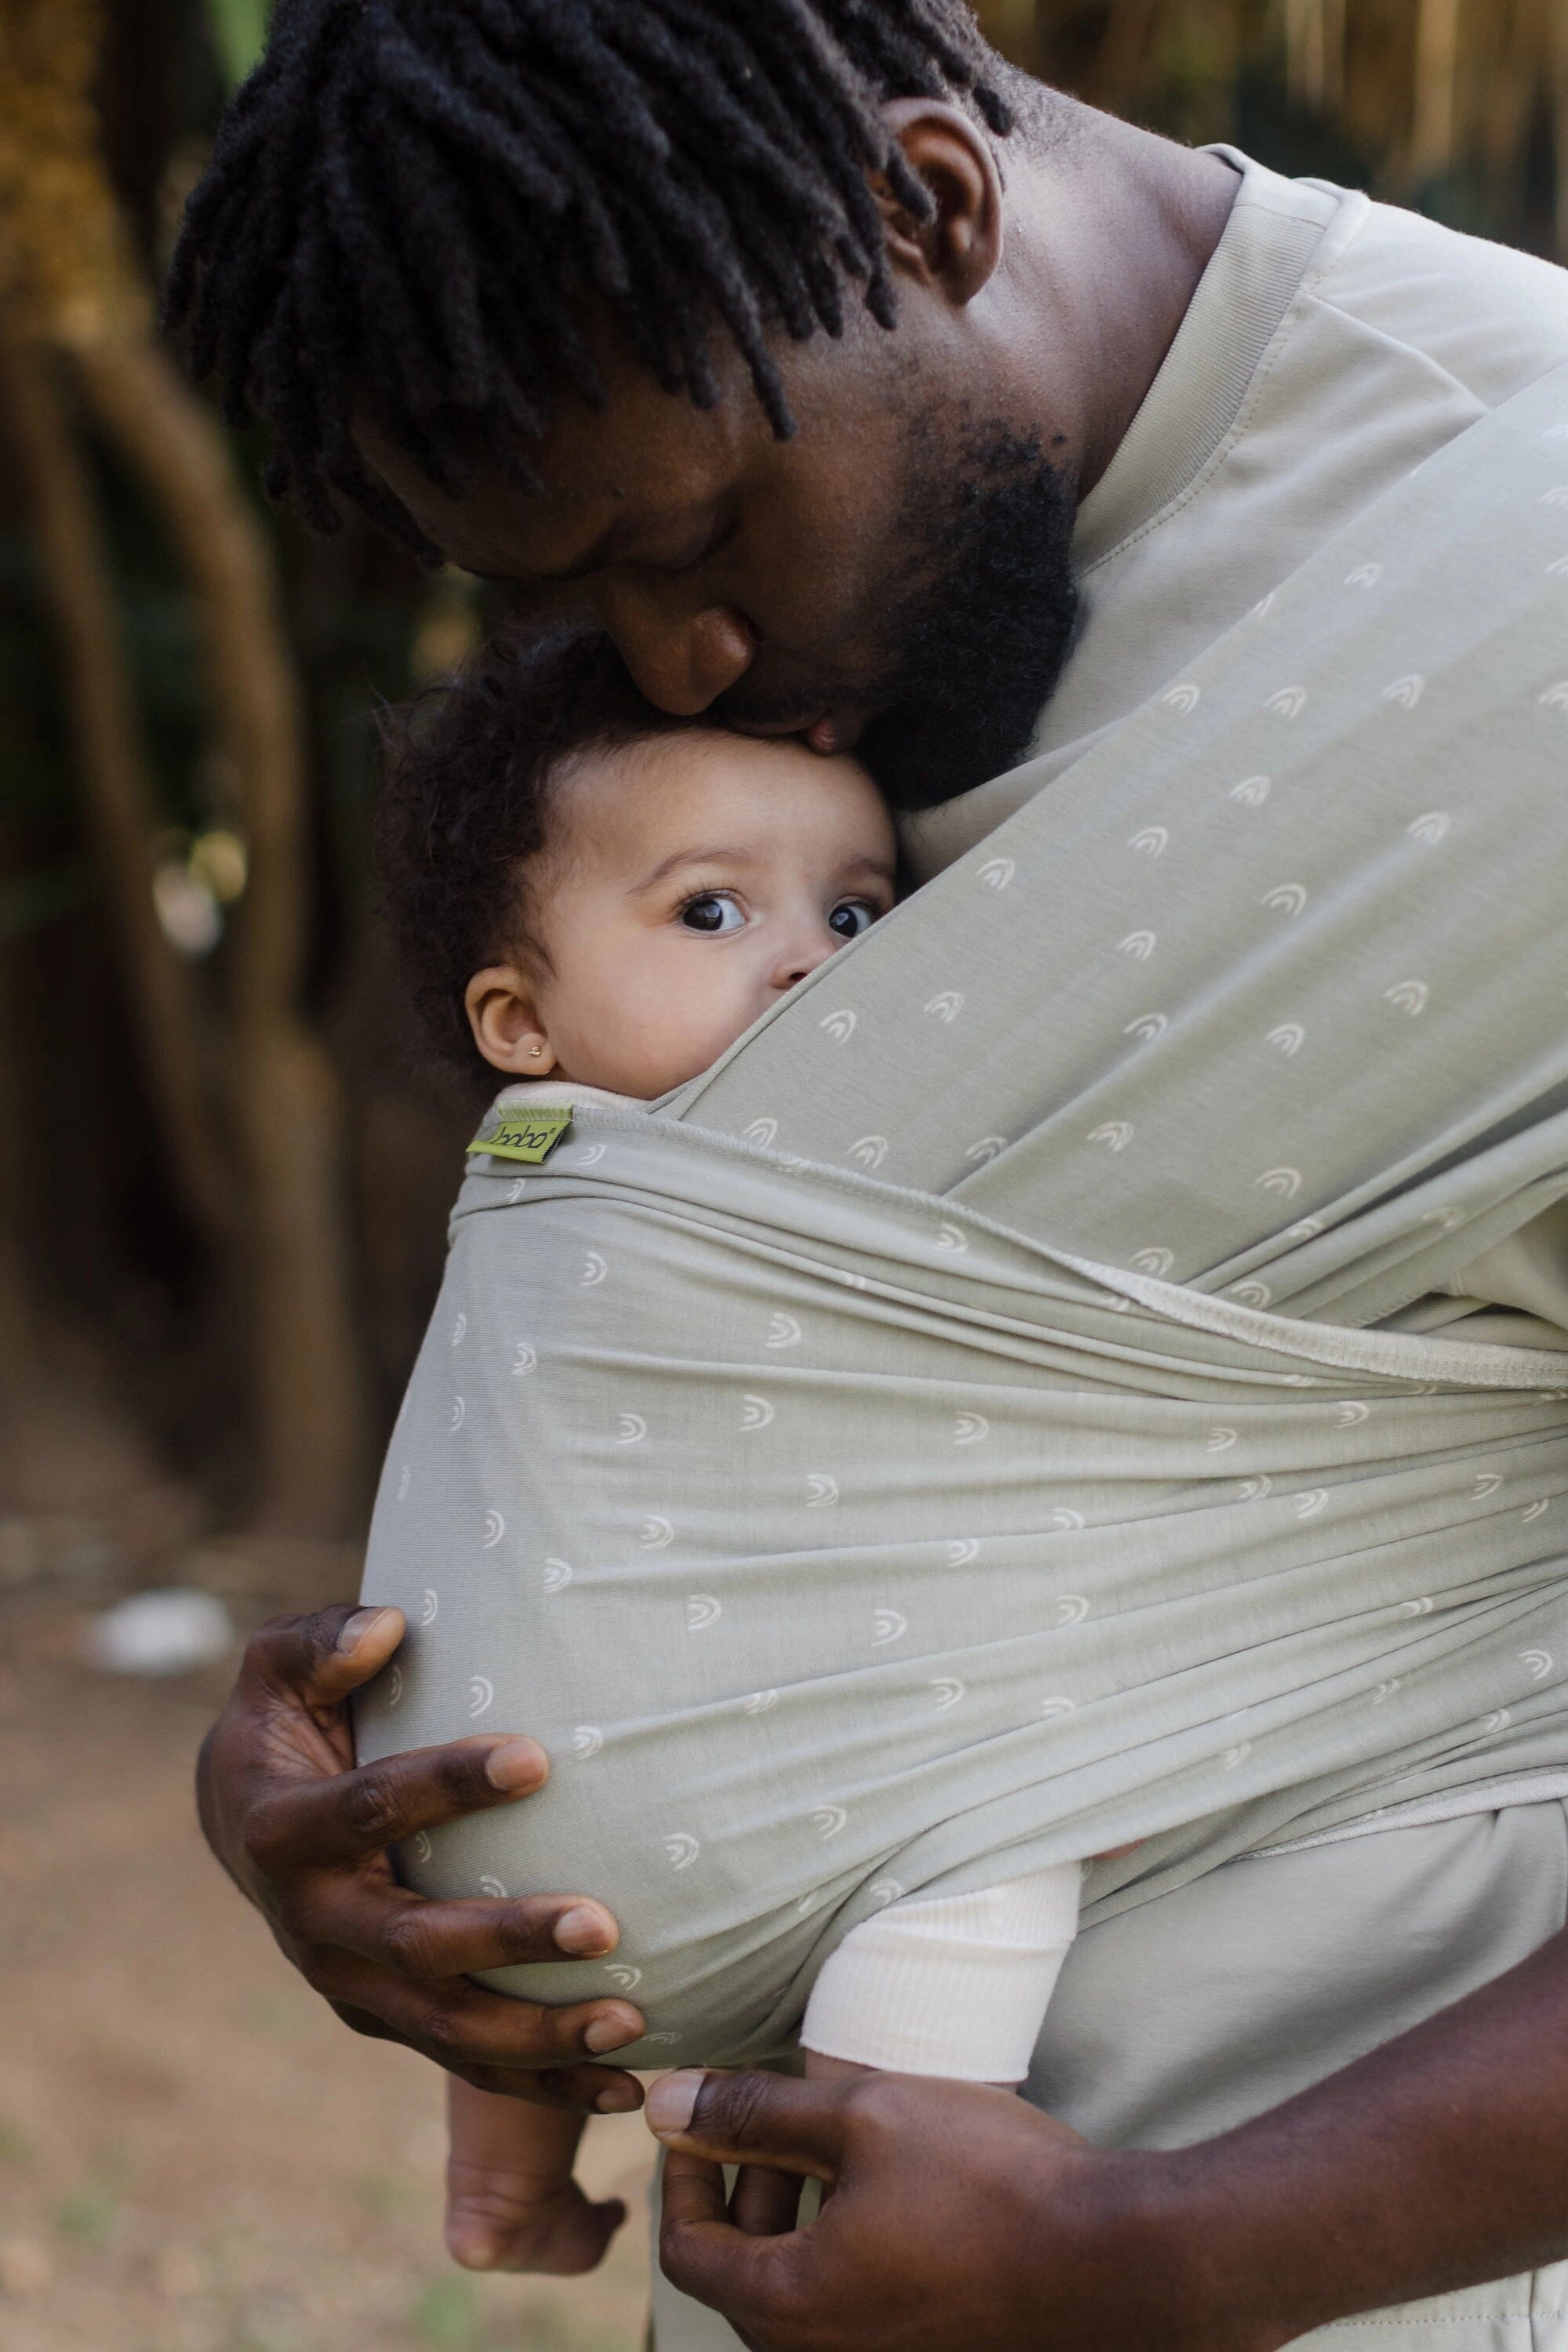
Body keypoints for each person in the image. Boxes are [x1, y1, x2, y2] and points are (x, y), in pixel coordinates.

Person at [169, 5, 1568, 2347]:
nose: (689, 660)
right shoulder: (815, 619)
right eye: (574, 607)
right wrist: (356, 1792)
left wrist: (1165, 2250)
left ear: (924, 208)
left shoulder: (1497, 568)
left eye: (697, 540)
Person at [372, 623, 1086, 2273]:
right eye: (711, 910)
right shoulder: (672, 1187)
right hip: (760, 1810)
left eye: (856, 911)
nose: (809, 960)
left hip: (466, 1826)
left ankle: (504, 2179)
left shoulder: (539, 1153)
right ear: (517, 1021)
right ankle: (899, 2166)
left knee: (517, 1933)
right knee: (1002, 1827)